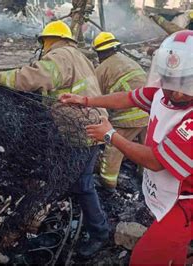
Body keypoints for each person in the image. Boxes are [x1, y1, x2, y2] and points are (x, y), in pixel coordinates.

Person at [59, 30, 193, 265]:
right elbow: (128, 97)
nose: (178, 93)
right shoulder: (163, 95)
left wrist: (110, 135)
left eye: (187, 84)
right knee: (173, 251)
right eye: (173, 82)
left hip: (186, 204)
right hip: (169, 195)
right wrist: (86, 100)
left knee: (143, 258)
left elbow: (155, 160)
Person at [0, 20, 110, 257]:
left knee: (83, 186)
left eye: (44, 42)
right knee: (79, 180)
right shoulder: (78, 55)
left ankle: (100, 233)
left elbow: (38, 76)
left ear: (49, 40)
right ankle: (93, 224)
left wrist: (1, 78)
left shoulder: (61, 55)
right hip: (90, 126)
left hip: (82, 131)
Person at [92, 32, 149, 190]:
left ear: (99, 52)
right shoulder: (129, 61)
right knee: (147, 147)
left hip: (128, 116)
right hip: (149, 111)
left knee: (114, 149)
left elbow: (97, 97)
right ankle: (144, 176)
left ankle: (108, 183)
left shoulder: (102, 69)